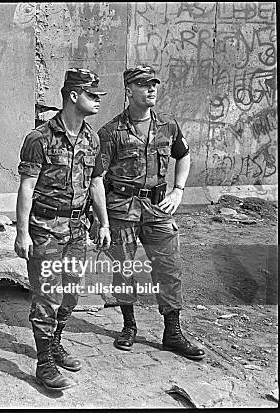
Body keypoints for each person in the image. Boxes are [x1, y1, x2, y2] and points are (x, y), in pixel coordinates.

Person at [97, 65, 205, 360]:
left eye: (154, 84)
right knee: (125, 269)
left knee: (169, 268)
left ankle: (172, 332)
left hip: (158, 208)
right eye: (144, 85)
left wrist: (178, 190)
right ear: (129, 91)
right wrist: (100, 219)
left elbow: (183, 155)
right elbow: (97, 177)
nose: (151, 89)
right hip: (122, 208)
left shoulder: (168, 126)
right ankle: (129, 325)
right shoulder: (110, 132)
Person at [14, 68, 111, 391]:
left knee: (71, 293)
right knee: (46, 297)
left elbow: (96, 182)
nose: (97, 101)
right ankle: (44, 365)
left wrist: (104, 222)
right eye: (92, 95)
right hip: (44, 228)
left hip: (77, 229)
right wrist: (23, 232)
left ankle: (55, 342)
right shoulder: (39, 138)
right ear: (73, 96)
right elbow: (27, 187)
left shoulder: (91, 138)